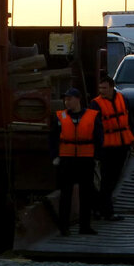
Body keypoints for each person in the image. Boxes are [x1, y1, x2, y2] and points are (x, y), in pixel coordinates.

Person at [48, 87, 103, 236]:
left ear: (78, 99)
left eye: (70, 99)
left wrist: (97, 157)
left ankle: (85, 227)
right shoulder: (60, 117)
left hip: (86, 160)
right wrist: (55, 156)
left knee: (86, 195)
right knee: (65, 195)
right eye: (65, 99)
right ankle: (63, 228)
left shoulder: (92, 116)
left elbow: (99, 138)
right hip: (66, 160)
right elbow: (53, 139)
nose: (67, 102)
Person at [92, 74, 134, 221]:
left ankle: (99, 209)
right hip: (106, 147)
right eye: (100, 88)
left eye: (104, 88)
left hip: (122, 145)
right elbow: (94, 128)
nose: (102, 91)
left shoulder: (123, 99)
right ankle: (107, 211)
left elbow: (129, 121)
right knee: (106, 179)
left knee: (113, 179)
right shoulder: (96, 104)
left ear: (112, 87)